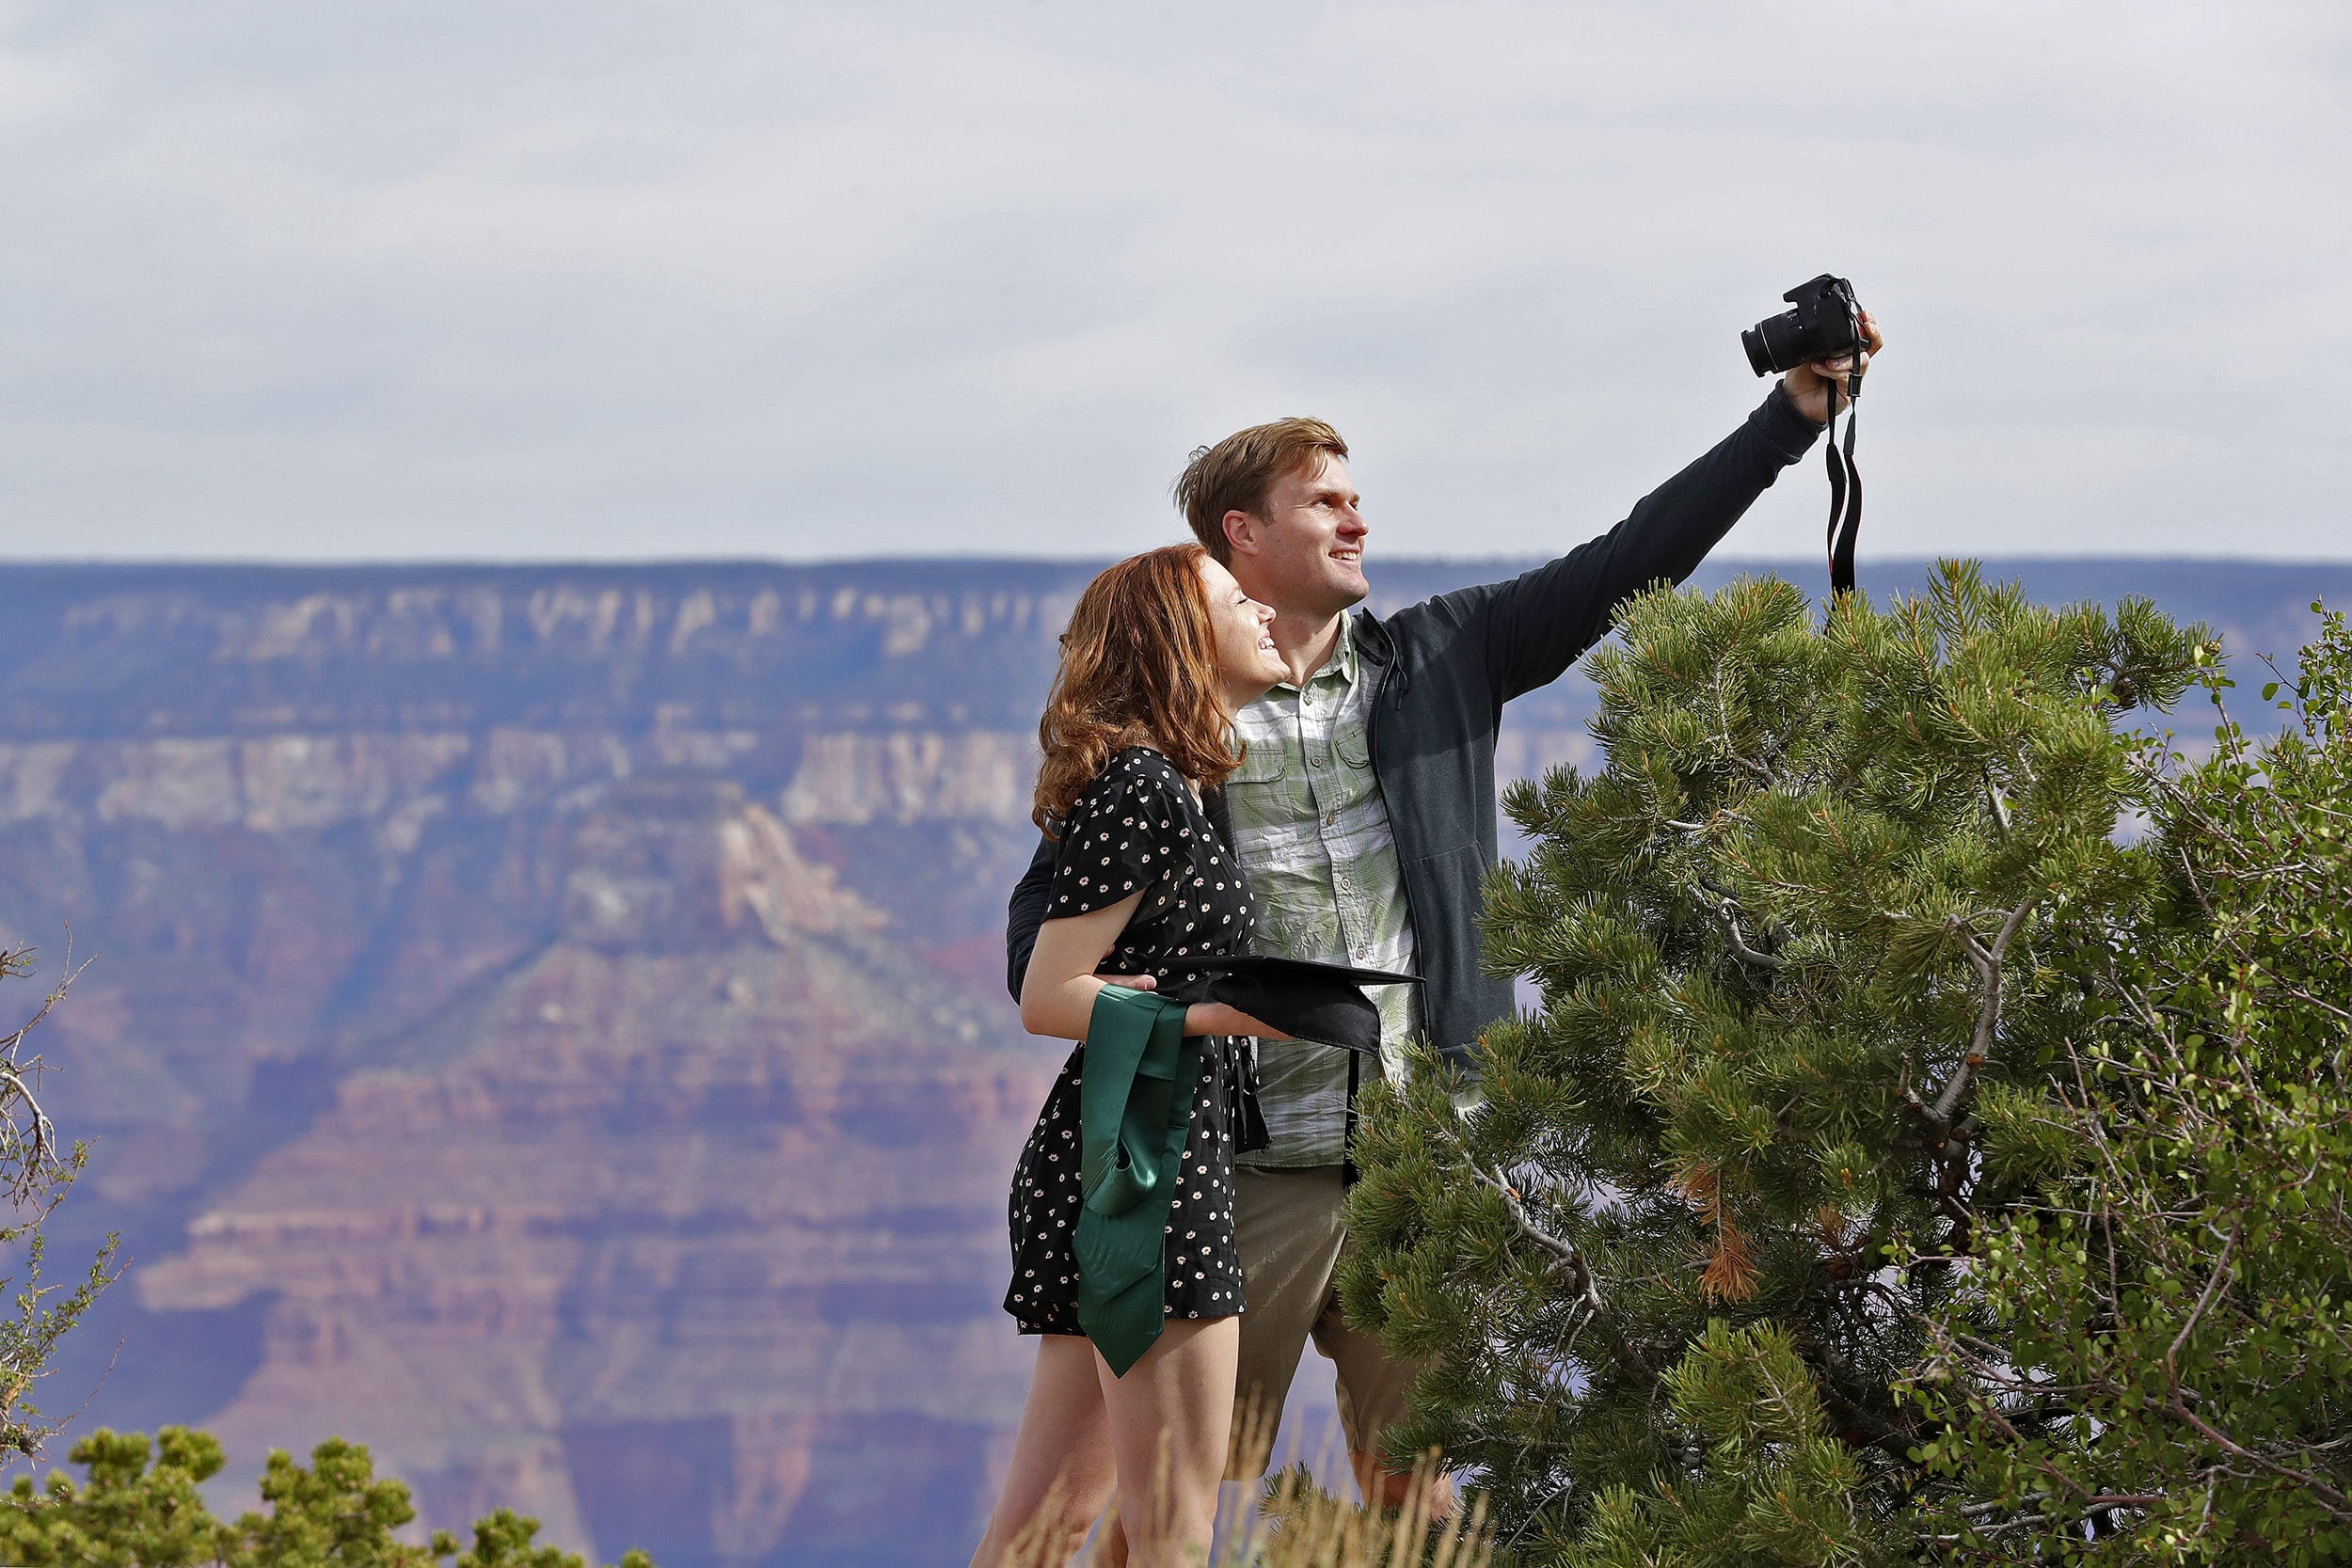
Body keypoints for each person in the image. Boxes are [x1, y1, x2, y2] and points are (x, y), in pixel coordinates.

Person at [1005, 315, 1885, 1524]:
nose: (1357, 519)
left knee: (1416, 1488)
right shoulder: (1171, 724)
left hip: (1423, 1158)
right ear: (1241, 535)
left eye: (1358, 497)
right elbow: (1043, 950)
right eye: (1324, 500)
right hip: (1239, 1164)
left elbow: (1635, 554)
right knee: (1161, 1498)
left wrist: (1789, 420)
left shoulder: (1446, 653)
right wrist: (1209, 1013)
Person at [970, 543, 1295, 1568]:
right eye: (1239, 598)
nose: (1265, 610)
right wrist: (1227, 1015)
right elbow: (1049, 994)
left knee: (1042, 1534)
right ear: (1178, 639)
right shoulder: (1144, 788)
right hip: (1144, 1162)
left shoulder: (1185, 785)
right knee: (1172, 1529)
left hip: (1137, 1149)